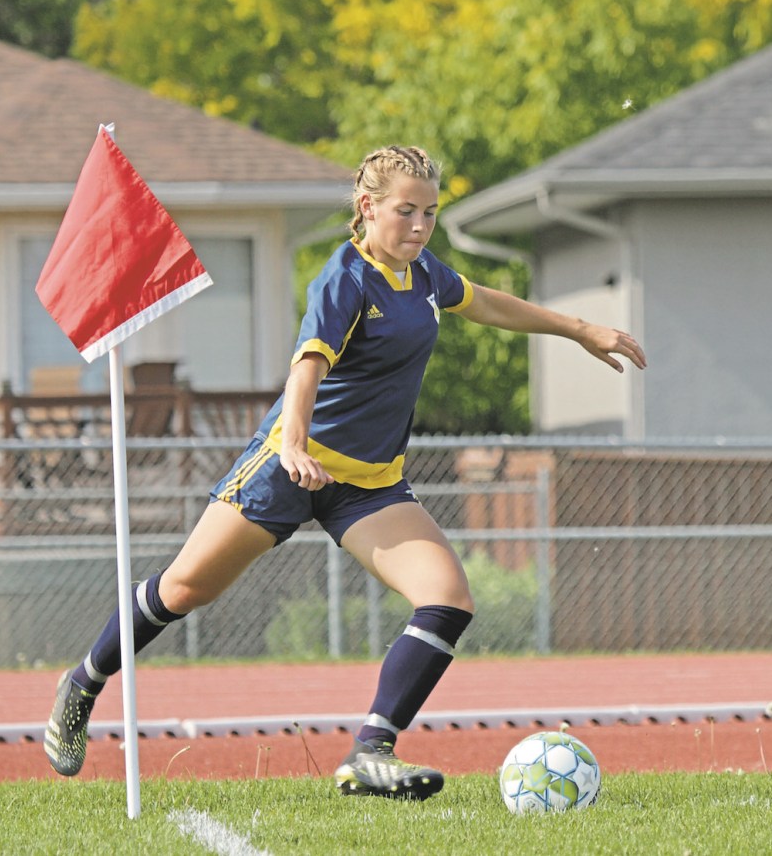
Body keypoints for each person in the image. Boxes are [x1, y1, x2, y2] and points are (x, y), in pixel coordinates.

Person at [44, 144, 646, 800]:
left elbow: (486, 303)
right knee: (184, 589)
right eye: (406, 211)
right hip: (286, 469)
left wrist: (579, 328)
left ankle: (371, 753)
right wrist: (294, 446)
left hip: (369, 484)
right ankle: (83, 682)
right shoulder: (345, 277)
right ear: (368, 207)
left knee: (448, 598)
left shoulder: (423, 274)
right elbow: (307, 368)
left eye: (430, 213)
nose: (420, 226)